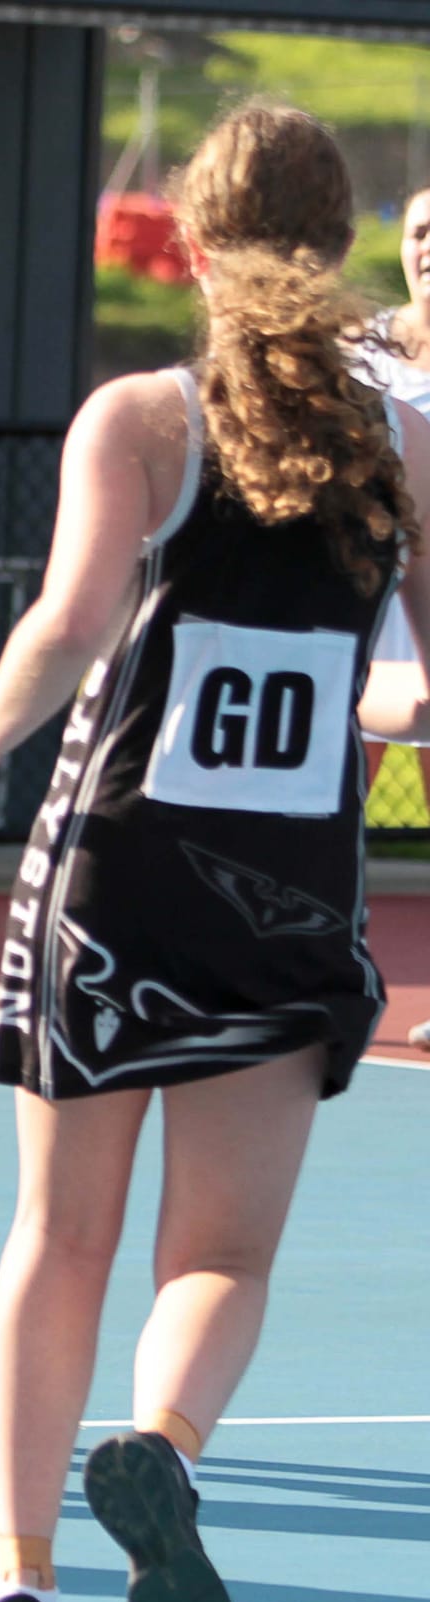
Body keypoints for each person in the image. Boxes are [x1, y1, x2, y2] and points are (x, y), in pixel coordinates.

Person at [0, 101, 430, 1602]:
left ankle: (18, 1569)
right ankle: (165, 1442)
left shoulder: (145, 414)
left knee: (60, 1236)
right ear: (338, 249)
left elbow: (67, 629)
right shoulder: (401, 436)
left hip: (119, 870)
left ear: (189, 242)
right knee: (223, 1249)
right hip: (289, 886)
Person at [353, 183, 430, 1048]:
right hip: (364, 604)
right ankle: (318, 973)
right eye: (419, 229)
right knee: (331, 801)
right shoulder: (360, 349)